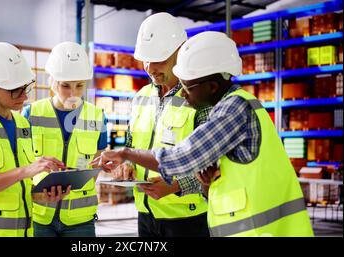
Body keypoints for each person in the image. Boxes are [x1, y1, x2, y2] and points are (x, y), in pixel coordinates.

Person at [92, 31, 314, 237]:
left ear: (212, 86)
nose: (184, 96)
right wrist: (207, 185)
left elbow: (183, 157)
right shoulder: (233, 106)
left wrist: (127, 154)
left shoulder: (235, 110)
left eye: (188, 88)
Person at [112, 12, 209, 237]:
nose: (151, 68)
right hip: (145, 215)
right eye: (146, 59)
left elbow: (212, 163)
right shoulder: (140, 97)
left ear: (180, 52)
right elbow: (130, 144)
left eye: (159, 59)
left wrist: (175, 186)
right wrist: (126, 165)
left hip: (187, 219)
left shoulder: (200, 98)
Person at [0, 42, 69, 237]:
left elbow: (16, 187)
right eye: (15, 90)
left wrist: (42, 196)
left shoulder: (22, 124)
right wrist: (26, 170)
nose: (24, 96)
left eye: (25, 88)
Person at [22, 41, 108, 237]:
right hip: (39, 216)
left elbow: (96, 165)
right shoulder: (31, 114)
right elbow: (20, 165)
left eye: (79, 86)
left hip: (80, 220)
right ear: (51, 80)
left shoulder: (97, 117)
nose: (73, 93)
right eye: (65, 86)